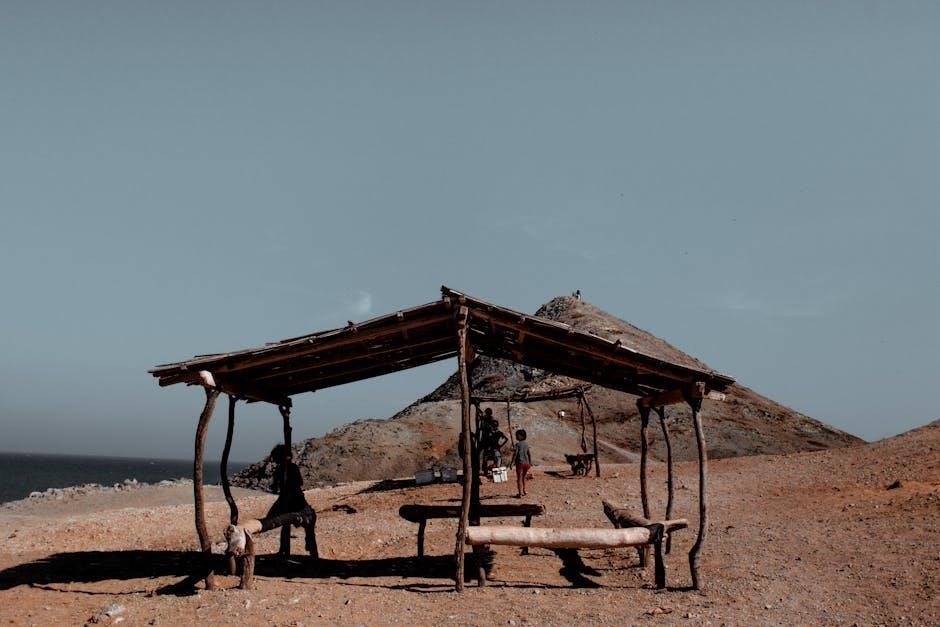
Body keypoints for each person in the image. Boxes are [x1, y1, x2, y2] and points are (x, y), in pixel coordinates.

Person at [267, 444, 318, 558]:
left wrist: (288, 483)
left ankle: (312, 552)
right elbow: (275, 486)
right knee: (285, 524)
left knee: (307, 525)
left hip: (296, 499)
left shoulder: (292, 468)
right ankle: (284, 549)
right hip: (286, 499)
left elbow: (299, 482)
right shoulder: (280, 470)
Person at [509, 429, 532, 498]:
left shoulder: (517, 444)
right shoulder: (526, 444)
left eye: (517, 435)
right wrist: (530, 463)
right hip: (527, 463)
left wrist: (512, 463)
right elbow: (529, 454)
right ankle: (524, 490)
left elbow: (515, 454)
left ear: (521, 436)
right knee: (523, 477)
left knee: (519, 478)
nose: (516, 436)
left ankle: (520, 493)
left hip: (520, 464)